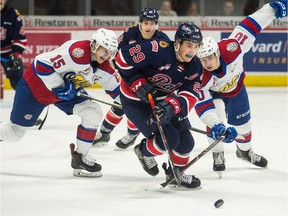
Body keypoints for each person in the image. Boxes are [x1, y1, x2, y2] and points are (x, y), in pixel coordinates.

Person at [0, 28, 119, 178]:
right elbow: (40, 64)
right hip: (36, 88)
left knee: (93, 112)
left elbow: (118, 92)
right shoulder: (77, 52)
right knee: (14, 133)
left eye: (110, 52)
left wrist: (134, 105)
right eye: (105, 50)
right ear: (95, 45)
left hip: (63, 94)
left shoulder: (105, 67)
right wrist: (61, 87)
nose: (107, 55)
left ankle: (80, 158)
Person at [195, 0, 287, 175]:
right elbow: (203, 107)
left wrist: (272, 8)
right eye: (203, 59)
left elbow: (251, 24)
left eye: (210, 58)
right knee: (218, 115)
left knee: (244, 126)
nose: (207, 63)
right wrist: (216, 125)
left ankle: (244, 152)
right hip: (215, 93)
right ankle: (217, 153)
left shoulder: (233, 47)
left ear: (217, 53)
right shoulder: (200, 76)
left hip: (236, 89)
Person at [115, 23, 204, 188]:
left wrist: (173, 105)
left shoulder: (195, 66)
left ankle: (176, 173)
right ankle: (143, 151)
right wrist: (135, 81)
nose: (192, 51)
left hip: (163, 101)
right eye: (189, 45)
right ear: (177, 43)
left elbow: (191, 93)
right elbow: (121, 57)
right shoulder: (156, 48)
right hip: (135, 101)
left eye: (196, 46)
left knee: (186, 143)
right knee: (169, 139)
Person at [93, 8, 171, 149]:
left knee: (138, 110)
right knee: (119, 104)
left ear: (156, 24)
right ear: (140, 23)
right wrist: (117, 66)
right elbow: (116, 50)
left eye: (152, 23)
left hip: (148, 82)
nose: (149, 27)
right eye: (145, 23)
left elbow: (167, 65)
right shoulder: (131, 32)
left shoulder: (163, 40)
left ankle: (132, 134)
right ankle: (105, 131)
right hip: (129, 77)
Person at [0, 0, 27, 90]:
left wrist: (16, 55)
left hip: (7, 53)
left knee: (17, 81)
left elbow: (19, 37)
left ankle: (25, 103)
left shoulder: (13, 14)